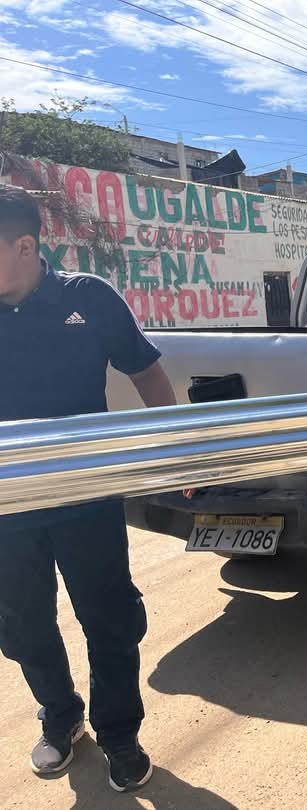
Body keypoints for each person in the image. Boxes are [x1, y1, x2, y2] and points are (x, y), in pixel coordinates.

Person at [0, 186, 176, 791]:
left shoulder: (88, 299)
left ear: (25, 247)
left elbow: (146, 371)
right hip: (8, 504)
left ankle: (120, 735)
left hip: (87, 495)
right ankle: (61, 716)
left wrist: (172, 454)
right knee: (22, 624)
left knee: (108, 618)